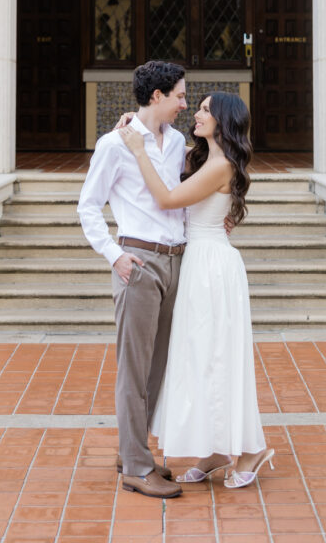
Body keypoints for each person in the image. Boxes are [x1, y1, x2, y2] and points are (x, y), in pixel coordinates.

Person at [119, 91, 274, 489]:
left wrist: (138, 150)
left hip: (211, 268)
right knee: (201, 357)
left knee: (217, 357)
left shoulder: (220, 165)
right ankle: (217, 451)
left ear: (223, 120)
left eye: (206, 110)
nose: (197, 114)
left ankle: (252, 449)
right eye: (198, 106)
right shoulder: (205, 158)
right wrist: (141, 122)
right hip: (198, 263)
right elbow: (169, 149)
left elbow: (168, 199)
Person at [77, 60, 188, 499]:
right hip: (138, 261)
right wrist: (114, 255)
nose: (184, 104)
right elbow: (88, 205)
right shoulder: (113, 144)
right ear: (157, 96)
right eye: (180, 95)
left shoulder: (176, 141)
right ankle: (137, 469)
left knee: (156, 367)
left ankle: (133, 451)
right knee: (134, 368)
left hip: (175, 260)